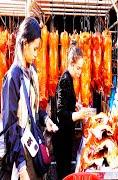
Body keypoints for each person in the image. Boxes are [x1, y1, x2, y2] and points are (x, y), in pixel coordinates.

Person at [1, 16, 58, 179]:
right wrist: (21, 167)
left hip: (33, 150)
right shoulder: (13, 77)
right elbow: (10, 127)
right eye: (35, 48)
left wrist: (46, 118)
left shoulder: (31, 73)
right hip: (20, 156)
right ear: (24, 43)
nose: (36, 54)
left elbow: (33, 110)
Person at [53, 41, 90, 179]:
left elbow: (66, 104)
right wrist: (78, 114)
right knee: (64, 174)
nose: (81, 72)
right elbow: (61, 114)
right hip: (62, 138)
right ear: (72, 65)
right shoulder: (65, 81)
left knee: (67, 171)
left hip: (67, 136)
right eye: (79, 68)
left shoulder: (69, 79)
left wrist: (75, 106)